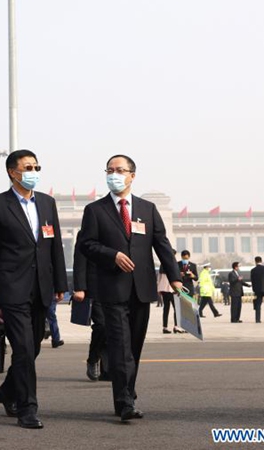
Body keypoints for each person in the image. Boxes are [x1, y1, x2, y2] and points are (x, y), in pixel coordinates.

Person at [78, 154, 182, 422]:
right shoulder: (95, 210)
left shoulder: (147, 209)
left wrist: (175, 277)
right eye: (110, 170)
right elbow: (86, 245)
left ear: (132, 175)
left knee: (134, 347)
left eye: (120, 170)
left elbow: (162, 244)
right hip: (111, 289)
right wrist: (111, 255)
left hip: (142, 289)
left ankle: (126, 394)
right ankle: (125, 401)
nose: (114, 174)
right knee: (120, 346)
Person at [0, 149, 67, 429]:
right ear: (12, 172)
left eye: (36, 166)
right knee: (23, 349)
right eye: (27, 167)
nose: (33, 171)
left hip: (41, 287)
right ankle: (27, 408)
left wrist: (60, 285)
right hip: (12, 287)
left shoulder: (46, 203)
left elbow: (54, 245)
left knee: (33, 350)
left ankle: (6, 392)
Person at [72, 230, 110, 382]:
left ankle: (108, 370)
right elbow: (79, 260)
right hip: (93, 288)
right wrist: (79, 287)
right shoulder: (86, 232)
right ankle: (93, 358)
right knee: (101, 325)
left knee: (113, 328)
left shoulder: (118, 228)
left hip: (115, 287)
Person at [159, 248, 184, 334]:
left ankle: (165, 327)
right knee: (176, 308)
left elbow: (160, 278)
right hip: (172, 289)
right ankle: (176, 326)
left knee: (166, 308)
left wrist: (158, 288)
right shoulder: (171, 264)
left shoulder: (162, 264)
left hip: (164, 289)